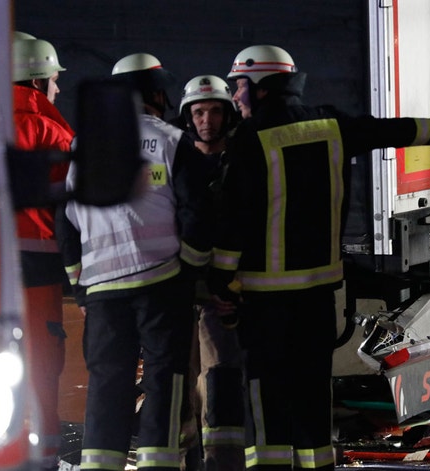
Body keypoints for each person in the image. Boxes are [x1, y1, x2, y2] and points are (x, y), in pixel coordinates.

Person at [209, 44, 430, 471]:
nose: (235, 95)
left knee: (266, 396)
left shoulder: (251, 138)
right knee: (312, 392)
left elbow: (234, 219)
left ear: (262, 86)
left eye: (239, 85)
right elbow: (385, 131)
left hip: (265, 302)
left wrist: (220, 282)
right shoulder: (330, 125)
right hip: (319, 296)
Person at [56, 52, 213, 471]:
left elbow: (66, 222)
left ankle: (99, 466)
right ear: (157, 94)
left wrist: (80, 285)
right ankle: (157, 465)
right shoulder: (172, 141)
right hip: (161, 281)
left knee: (107, 381)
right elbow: (198, 213)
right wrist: (192, 269)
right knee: (164, 377)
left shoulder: (83, 145)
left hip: (103, 289)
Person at [175, 74, 245, 471]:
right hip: (182, 289)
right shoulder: (177, 160)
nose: (207, 120)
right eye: (199, 112)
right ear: (188, 116)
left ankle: (223, 463)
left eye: (215, 111)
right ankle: (187, 462)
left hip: (222, 292)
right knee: (179, 383)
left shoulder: (238, 162)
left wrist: (229, 287)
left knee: (220, 379)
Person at [12, 36, 74, 471]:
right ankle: (41, 458)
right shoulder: (53, 131)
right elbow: (74, 210)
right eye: (53, 80)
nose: (57, 89)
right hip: (38, 264)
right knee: (40, 364)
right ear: (36, 81)